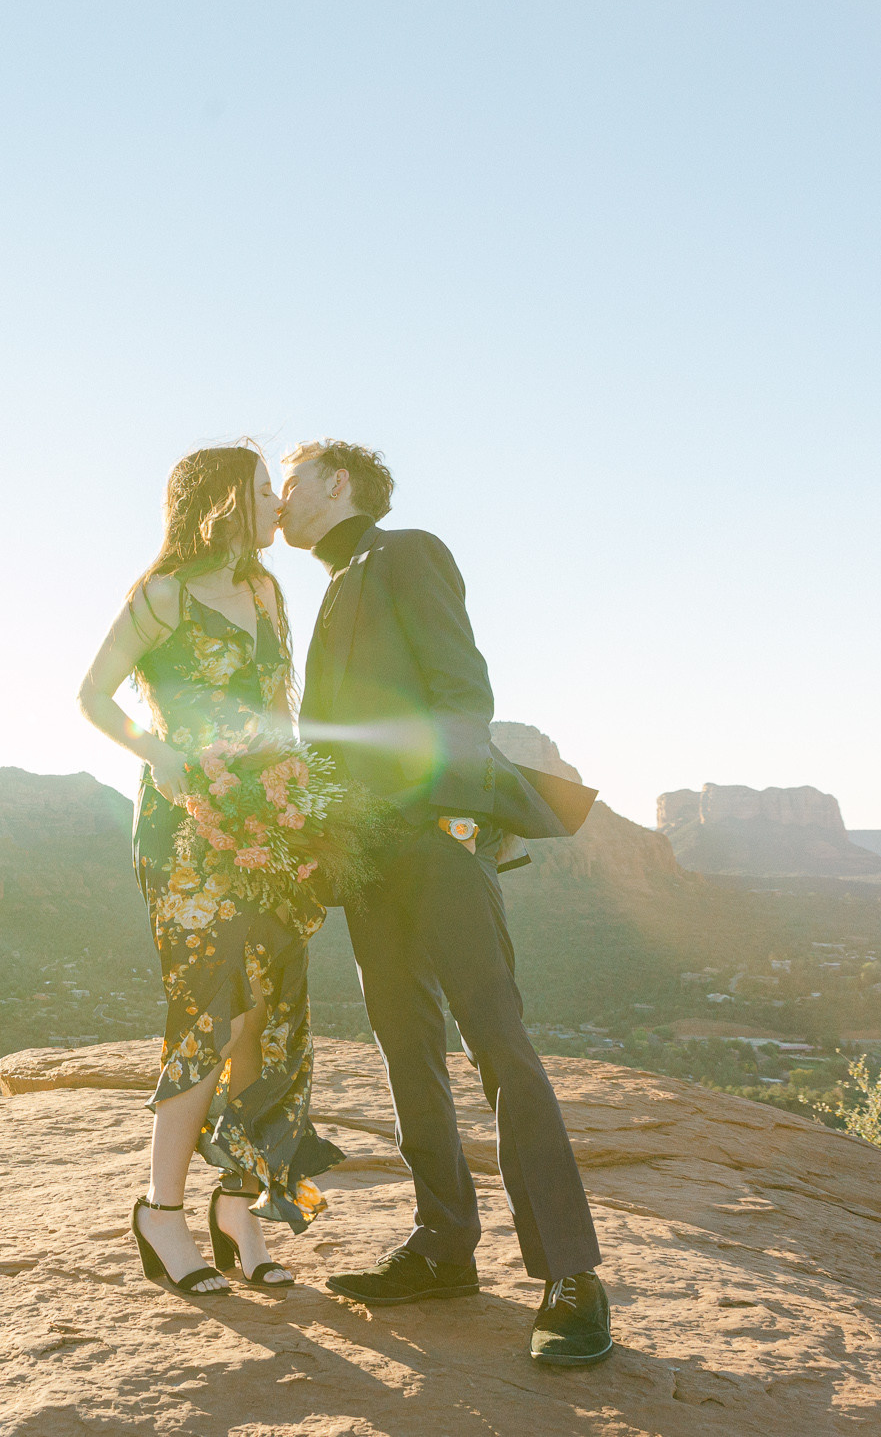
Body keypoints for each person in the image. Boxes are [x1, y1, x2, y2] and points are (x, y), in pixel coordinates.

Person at [278, 438, 614, 1366]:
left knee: (496, 1041)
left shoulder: (407, 552)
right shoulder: (332, 583)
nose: (280, 500)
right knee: (406, 1047)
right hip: (365, 862)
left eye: (292, 482)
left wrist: (455, 820)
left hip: (436, 838)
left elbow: (463, 694)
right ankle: (442, 1246)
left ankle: (572, 1276)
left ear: (338, 483)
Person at [79, 440, 345, 1297]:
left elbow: (279, 710)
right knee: (206, 1012)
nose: (278, 504)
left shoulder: (268, 591)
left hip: (268, 821)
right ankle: (162, 1213)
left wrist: (299, 804)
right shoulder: (161, 594)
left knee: (264, 1014)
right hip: (186, 826)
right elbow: (92, 694)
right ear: (225, 500)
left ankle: (239, 1206)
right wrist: (158, 751)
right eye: (265, 489)